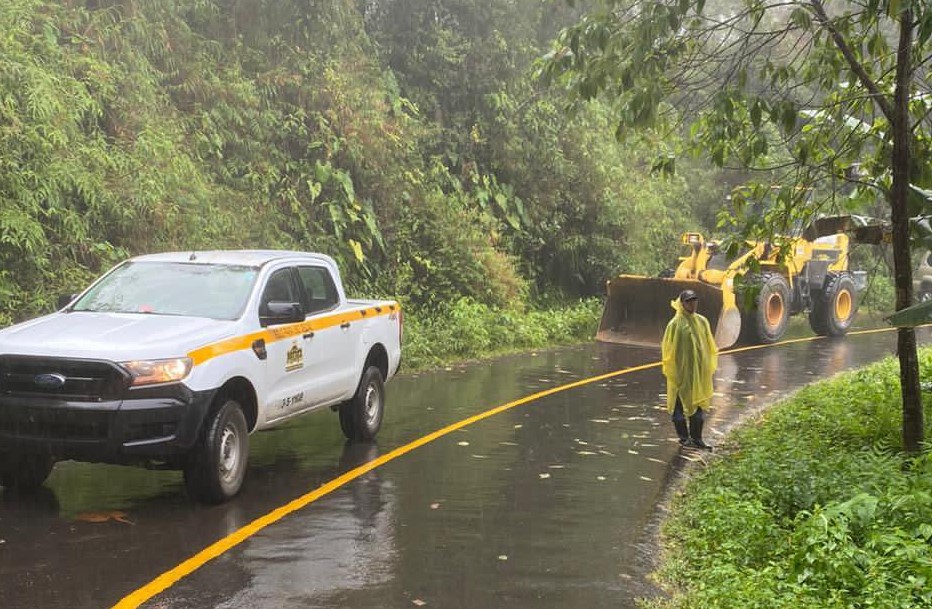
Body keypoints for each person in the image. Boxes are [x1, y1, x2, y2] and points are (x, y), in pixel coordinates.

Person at [661, 289, 718, 450]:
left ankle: (697, 438)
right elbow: (668, 350)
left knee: (697, 409)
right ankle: (684, 437)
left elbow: (709, 345)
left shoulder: (702, 321)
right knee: (678, 411)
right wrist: (674, 372)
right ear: (682, 303)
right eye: (688, 301)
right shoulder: (674, 325)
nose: (692, 304)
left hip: (697, 375)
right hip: (680, 375)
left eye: (694, 300)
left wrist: (706, 367)